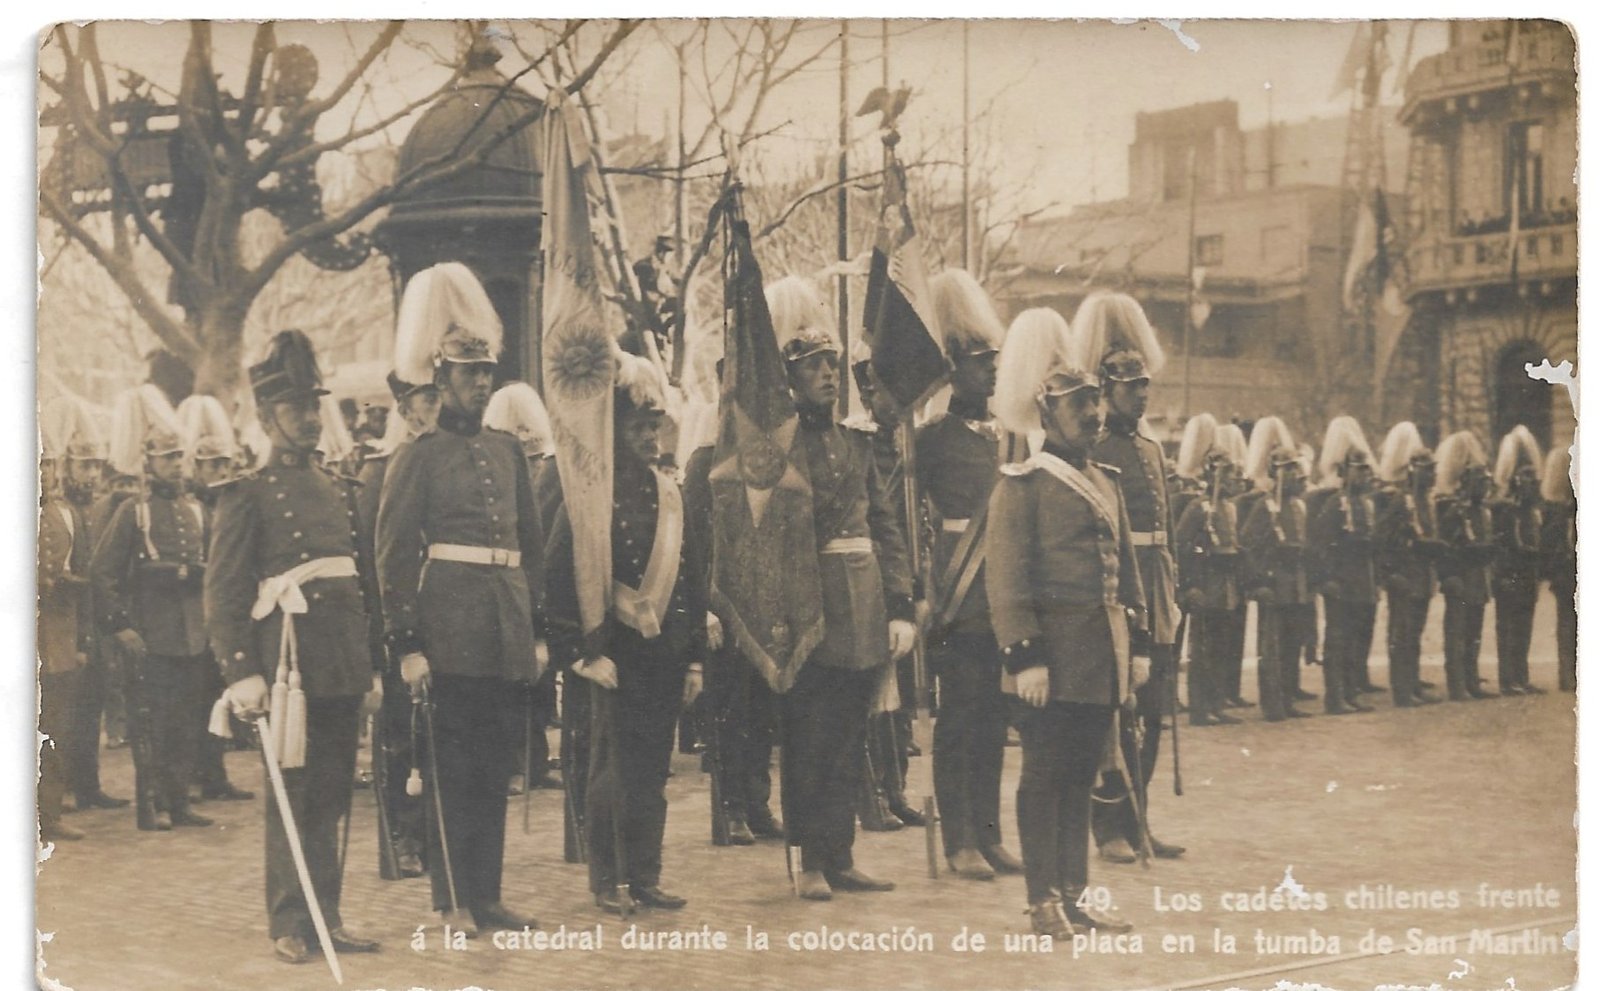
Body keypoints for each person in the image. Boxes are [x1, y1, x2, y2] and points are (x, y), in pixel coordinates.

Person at [376, 263, 544, 936]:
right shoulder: (418, 456)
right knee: (451, 768)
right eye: (468, 373)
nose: (480, 383)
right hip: (447, 631)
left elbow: (530, 547)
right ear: (440, 378)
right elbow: (391, 558)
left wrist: (534, 630)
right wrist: (407, 644)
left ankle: (489, 892)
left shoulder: (508, 452)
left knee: (495, 764)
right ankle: (452, 900)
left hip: (503, 626)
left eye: (486, 372)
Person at [205, 330, 383, 965]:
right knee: (292, 795)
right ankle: (289, 919)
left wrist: (371, 668)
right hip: (285, 671)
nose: (311, 420)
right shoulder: (247, 492)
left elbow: (361, 583)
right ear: (266, 417)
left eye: (316, 406)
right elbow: (223, 593)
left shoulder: (340, 485)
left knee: (333, 796)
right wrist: (241, 674)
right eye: (297, 409)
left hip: (337, 664)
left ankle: (326, 915)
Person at [986, 307, 1144, 940]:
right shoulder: (1022, 485)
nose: (1094, 415)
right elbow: (1008, 580)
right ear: (1047, 413)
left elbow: (1126, 571)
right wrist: (1024, 657)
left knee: (1081, 775)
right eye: (1079, 405)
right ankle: (1041, 898)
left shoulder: (1106, 480)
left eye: (1095, 403)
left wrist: (1139, 647)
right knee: (1045, 775)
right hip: (1049, 660)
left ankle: (1077, 892)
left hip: (1099, 656)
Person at [768, 276, 916, 902]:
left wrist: (902, 602)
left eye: (832, 364)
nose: (829, 375)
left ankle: (842, 855)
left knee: (850, 735)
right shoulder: (778, 446)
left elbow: (884, 524)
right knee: (810, 737)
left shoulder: (857, 443)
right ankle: (809, 862)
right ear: (791, 378)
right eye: (814, 367)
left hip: (864, 606)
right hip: (812, 606)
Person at [547, 352, 707, 913]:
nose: (648, 436)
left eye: (654, 425)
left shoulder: (670, 493)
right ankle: (605, 881)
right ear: (615, 431)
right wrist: (581, 653)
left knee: (650, 770)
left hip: (661, 652)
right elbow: (559, 573)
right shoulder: (588, 495)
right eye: (637, 426)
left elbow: (688, 578)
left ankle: (645, 875)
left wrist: (692, 660)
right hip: (611, 653)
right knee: (609, 772)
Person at [1071, 291, 1184, 864]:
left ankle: (1139, 821)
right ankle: (1108, 827)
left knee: (1155, 714)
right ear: (1106, 389)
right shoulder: (1099, 448)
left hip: (1158, 592)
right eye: (1130, 386)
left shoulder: (1150, 449)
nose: (1141, 393)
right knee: (1116, 716)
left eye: (1143, 384)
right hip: (1119, 593)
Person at [917, 268, 1021, 879]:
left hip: (1002, 596)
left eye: (994, 358)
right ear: (953, 368)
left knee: (993, 721)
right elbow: (917, 520)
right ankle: (958, 839)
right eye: (980, 360)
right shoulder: (930, 439)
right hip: (955, 598)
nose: (991, 370)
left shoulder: (1011, 440)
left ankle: (989, 834)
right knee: (959, 721)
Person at [92, 385, 216, 832]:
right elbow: (103, 572)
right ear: (150, 465)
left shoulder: (196, 510)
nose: (176, 466)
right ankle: (153, 804)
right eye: (167, 459)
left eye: (179, 457)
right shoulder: (134, 511)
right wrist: (120, 627)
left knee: (187, 722)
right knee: (154, 724)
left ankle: (179, 802)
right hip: (151, 633)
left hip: (192, 632)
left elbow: (213, 567)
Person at [357, 372, 440, 880]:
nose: (437, 407)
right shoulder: (380, 471)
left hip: (445, 619)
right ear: (406, 409)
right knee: (402, 735)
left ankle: (432, 837)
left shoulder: (447, 464)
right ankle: (401, 839)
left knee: (438, 735)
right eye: (428, 399)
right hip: (396, 621)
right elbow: (374, 563)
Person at [850, 345, 927, 835]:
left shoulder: (909, 443)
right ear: (866, 392)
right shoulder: (860, 443)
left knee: (900, 699)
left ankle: (895, 788)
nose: (894, 402)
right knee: (870, 698)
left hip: (904, 576)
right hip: (867, 578)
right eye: (882, 391)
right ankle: (869, 796)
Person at [45, 396, 129, 815]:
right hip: (69, 623)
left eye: (96, 466)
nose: (91, 474)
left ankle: (89, 785)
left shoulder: (102, 508)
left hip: (94, 622)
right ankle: (66, 792)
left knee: (93, 704)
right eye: (84, 466)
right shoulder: (61, 511)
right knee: (68, 713)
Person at [176, 394, 255, 804]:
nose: (220, 471)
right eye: (212, 465)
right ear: (198, 468)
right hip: (191, 614)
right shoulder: (190, 503)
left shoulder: (235, 500)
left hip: (222, 614)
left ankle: (214, 775)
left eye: (224, 464)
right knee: (192, 700)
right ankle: (192, 775)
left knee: (215, 696)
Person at [484, 381, 562, 796]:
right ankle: (513, 761)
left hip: (535, 580)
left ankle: (534, 759)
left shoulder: (546, 475)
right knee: (511, 681)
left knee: (539, 680)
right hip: (508, 582)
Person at [39, 407, 93, 843]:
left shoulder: (64, 512)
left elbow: (77, 573)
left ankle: (48, 813)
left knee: (53, 728)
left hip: (55, 639)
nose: (42, 471)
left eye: (46, 462)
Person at [1238, 417, 1312, 722]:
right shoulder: (1264, 506)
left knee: (1292, 644)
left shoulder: (1297, 506)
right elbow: (1249, 547)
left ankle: (1287, 696)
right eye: (1290, 470)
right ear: (1278, 473)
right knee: (1273, 646)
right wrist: (1261, 581)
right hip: (1274, 583)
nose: (1297, 475)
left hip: (1295, 583)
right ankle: (1273, 703)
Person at [1172, 414, 1243, 727]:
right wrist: (1190, 586)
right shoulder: (1198, 508)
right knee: (1201, 650)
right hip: (1205, 584)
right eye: (1226, 474)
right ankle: (1201, 708)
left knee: (1221, 648)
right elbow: (1181, 549)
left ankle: (1216, 703)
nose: (1231, 480)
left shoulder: (1229, 508)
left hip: (1225, 584)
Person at [1307, 417, 1381, 715]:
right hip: (1340, 581)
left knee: (1354, 638)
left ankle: (1350, 692)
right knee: (1337, 638)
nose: (1363, 475)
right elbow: (1320, 545)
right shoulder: (1334, 504)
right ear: (1343, 471)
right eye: (1357, 470)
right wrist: (1326, 578)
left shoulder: (1366, 504)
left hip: (1362, 579)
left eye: (1365, 470)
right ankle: (1335, 697)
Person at [1373, 422, 1446, 708]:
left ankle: (1412, 683)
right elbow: (1383, 539)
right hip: (1404, 577)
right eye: (1428, 470)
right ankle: (1402, 690)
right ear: (1415, 470)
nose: (1433, 475)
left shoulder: (1425, 501)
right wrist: (1392, 572)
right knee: (1401, 634)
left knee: (1414, 634)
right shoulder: (1399, 501)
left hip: (1422, 576)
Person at [1433, 431, 1497, 701]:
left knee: (1473, 633)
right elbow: (1447, 546)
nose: (1483, 485)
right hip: (1460, 577)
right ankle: (1457, 683)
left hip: (1477, 576)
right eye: (1477, 480)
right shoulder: (1453, 509)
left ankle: (1471, 680)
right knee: (1457, 633)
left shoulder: (1481, 511)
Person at [1490, 426, 1546, 695]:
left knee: (1524, 627)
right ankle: (1508, 680)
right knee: (1509, 627)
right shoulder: (1505, 511)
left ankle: (1520, 677)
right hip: (1509, 575)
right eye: (1525, 476)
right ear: (1514, 479)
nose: (1531, 481)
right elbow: (1502, 547)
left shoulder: (1531, 510)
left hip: (1526, 576)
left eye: (1532, 476)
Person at [1538, 447, 1575, 693]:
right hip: (1567, 571)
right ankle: (1568, 675)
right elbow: (1551, 544)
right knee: (1568, 623)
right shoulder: (1558, 513)